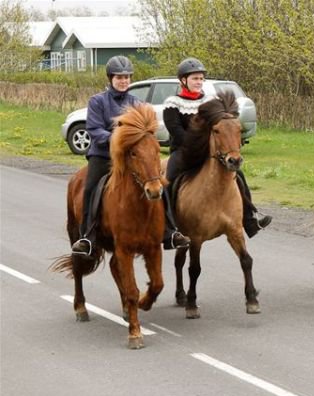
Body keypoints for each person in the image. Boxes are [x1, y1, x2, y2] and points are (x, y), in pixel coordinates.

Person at [71, 55, 190, 257]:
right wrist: (118, 139)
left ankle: (170, 232)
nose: (123, 81)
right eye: (119, 77)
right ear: (110, 78)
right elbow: (94, 130)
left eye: (126, 77)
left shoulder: (137, 103)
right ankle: (87, 237)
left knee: (159, 182)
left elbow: (147, 131)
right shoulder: (97, 101)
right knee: (90, 188)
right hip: (104, 157)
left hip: (133, 158)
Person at [163, 57, 272, 238]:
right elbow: (175, 131)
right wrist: (197, 145)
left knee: (239, 176)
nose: (198, 82)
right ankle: (169, 230)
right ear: (183, 80)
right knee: (168, 181)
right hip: (183, 153)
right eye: (194, 78)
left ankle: (250, 220)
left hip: (209, 153)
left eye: (200, 78)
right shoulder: (172, 102)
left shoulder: (210, 101)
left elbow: (221, 126)